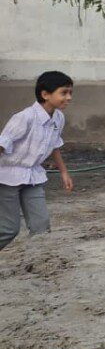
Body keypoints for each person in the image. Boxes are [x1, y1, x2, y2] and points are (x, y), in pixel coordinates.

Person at [0, 71, 74, 249]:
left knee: (41, 227)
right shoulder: (24, 118)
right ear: (45, 94)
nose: (69, 97)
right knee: (9, 229)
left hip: (33, 177)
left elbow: (54, 144)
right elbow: (2, 144)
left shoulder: (58, 117)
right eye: (64, 92)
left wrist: (64, 172)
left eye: (71, 92)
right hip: (7, 178)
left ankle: (41, 266)